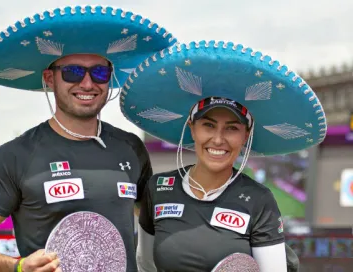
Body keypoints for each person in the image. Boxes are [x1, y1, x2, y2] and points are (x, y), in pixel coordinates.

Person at [0, 5, 177, 272]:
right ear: (49, 78)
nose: (87, 83)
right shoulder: (16, 155)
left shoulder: (130, 148)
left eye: (100, 72)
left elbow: (157, 223)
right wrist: (18, 267)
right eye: (73, 72)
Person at [119, 40, 327, 271]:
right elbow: (146, 265)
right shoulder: (158, 189)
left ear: (246, 135)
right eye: (208, 125)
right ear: (192, 127)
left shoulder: (259, 200)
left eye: (231, 128)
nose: (218, 139)